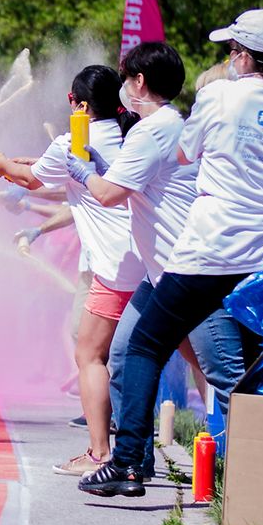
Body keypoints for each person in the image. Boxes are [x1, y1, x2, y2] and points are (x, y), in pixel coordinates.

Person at [80, 8, 263, 497]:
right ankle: (255, 479)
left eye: (231, 52)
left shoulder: (217, 95)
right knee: (257, 366)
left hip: (217, 248)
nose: (228, 59)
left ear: (243, 56)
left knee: (145, 345)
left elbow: (186, 153)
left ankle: (126, 463)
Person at [65, 43, 232, 480]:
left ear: (139, 82)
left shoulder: (152, 129)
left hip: (185, 270)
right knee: (123, 353)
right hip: (160, 273)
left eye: (125, 78)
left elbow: (107, 194)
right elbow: (130, 182)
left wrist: (81, 170)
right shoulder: (165, 125)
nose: (121, 87)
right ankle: (132, 460)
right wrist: (95, 165)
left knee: (216, 366)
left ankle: (234, 459)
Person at [0, 65, 144, 474]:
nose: (68, 104)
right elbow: (62, 175)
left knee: (89, 356)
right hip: (152, 265)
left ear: (81, 105)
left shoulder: (71, 142)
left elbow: (30, 180)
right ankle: (140, 452)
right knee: (147, 356)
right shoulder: (136, 136)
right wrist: (29, 164)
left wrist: (1, 164)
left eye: (71, 101)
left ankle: (99, 453)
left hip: (113, 269)